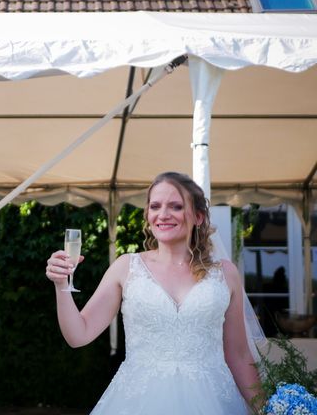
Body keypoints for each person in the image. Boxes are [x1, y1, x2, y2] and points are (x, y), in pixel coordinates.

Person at [45, 172, 262, 414]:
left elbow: (240, 356)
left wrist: (267, 408)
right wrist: (60, 284)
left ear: (198, 216)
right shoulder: (126, 267)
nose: (163, 214)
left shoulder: (225, 274)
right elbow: (78, 335)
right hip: (138, 402)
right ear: (148, 215)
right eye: (155, 206)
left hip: (214, 401)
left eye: (176, 206)